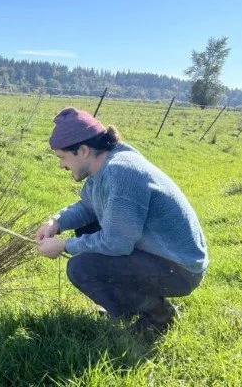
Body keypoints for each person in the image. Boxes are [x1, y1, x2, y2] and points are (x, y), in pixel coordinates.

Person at [34, 107, 208, 333]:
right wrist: (56, 222)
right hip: (161, 255)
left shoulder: (121, 173)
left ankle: (159, 314)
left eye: (63, 158)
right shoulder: (104, 167)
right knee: (87, 228)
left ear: (83, 150)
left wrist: (65, 245)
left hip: (180, 270)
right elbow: (89, 207)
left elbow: (117, 243)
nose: (61, 165)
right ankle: (128, 306)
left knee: (81, 267)